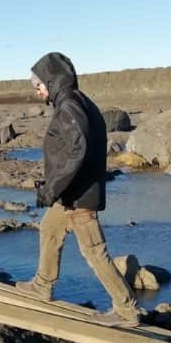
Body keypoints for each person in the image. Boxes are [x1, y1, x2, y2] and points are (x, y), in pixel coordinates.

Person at [16, 52, 140, 327]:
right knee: (49, 229)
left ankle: (127, 310)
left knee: (95, 252)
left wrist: (51, 189)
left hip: (79, 195)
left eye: (38, 85)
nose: (37, 91)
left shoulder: (70, 107)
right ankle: (42, 285)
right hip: (71, 192)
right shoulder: (75, 102)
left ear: (51, 80)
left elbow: (77, 152)